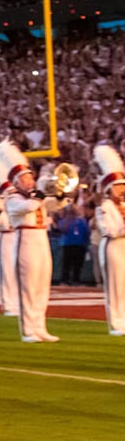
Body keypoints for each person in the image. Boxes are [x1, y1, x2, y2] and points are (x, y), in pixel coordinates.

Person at [0, 140, 60, 342]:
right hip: (26, 241)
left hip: (42, 239)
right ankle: (28, 330)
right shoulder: (12, 198)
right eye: (25, 177)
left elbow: (53, 205)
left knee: (42, 285)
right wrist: (39, 196)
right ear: (16, 181)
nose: (30, 180)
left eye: (30, 176)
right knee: (28, 287)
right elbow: (28, 207)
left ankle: (40, 326)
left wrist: (61, 195)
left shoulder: (34, 196)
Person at [93, 144, 125, 336]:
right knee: (114, 285)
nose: (122, 189)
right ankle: (115, 322)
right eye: (118, 186)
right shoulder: (104, 206)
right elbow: (109, 230)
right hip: (113, 246)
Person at [0, 158, 20, 316]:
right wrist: (0, 207)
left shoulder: (16, 205)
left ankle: (16, 302)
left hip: (16, 236)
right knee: (5, 272)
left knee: (15, 271)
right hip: (4, 237)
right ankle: (7, 304)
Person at [54, 203, 89, 286]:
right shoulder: (64, 221)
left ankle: (76, 280)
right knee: (67, 263)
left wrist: (86, 243)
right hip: (67, 244)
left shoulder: (81, 221)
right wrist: (68, 219)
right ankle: (64, 280)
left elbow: (86, 232)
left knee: (78, 264)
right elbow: (61, 229)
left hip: (80, 244)